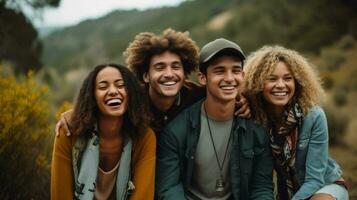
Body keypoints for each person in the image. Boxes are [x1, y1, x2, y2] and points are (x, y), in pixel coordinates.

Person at [56, 28, 250, 136]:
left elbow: (222, 92)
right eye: (159, 67)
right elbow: (106, 104)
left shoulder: (195, 95)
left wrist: (243, 101)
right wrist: (74, 114)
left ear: (184, 73)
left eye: (175, 67)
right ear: (146, 75)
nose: (169, 74)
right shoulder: (132, 98)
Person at [155, 38, 273, 200]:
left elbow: (262, 188)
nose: (230, 78)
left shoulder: (256, 129)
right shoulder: (175, 131)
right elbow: (169, 188)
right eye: (220, 71)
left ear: (243, 75)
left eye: (236, 70)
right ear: (203, 78)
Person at [243, 45, 349, 200]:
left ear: (297, 82)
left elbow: (315, 179)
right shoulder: (258, 120)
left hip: (324, 186)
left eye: (287, 78)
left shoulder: (313, 116)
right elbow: (262, 182)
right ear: (258, 84)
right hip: (288, 193)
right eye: (272, 78)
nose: (281, 85)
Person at [51, 64, 156, 200]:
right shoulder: (68, 133)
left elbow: (143, 197)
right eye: (103, 87)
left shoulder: (144, 137)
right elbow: (60, 195)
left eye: (120, 85)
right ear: (92, 97)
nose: (113, 91)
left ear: (130, 93)